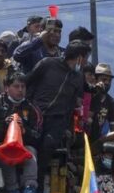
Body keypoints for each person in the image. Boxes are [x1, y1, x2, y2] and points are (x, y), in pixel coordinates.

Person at [27, 40, 89, 181]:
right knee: (31, 144)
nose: (85, 62)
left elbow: (74, 103)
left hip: (58, 121)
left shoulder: (78, 76)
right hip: (36, 115)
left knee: (48, 146)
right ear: (79, 57)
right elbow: (28, 82)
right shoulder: (47, 64)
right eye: (85, 58)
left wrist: (69, 128)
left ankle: (38, 183)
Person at [0, 73, 41, 193]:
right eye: (16, 86)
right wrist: (4, 125)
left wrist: (24, 130)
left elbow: (38, 135)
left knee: (31, 152)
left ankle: (29, 188)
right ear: (7, 88)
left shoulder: (32, 108)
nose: (20, 90)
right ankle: (12, 189)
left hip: (24, 146)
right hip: (1, 144)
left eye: (23, 87)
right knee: (6, 151)